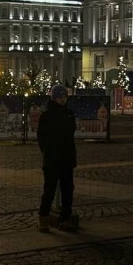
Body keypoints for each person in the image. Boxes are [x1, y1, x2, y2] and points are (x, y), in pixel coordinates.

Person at [37, 85, 77, 232]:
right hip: (52, 158)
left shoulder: (69, 113)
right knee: (49, 190)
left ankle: (65, 219)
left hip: (66, 157)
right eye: (61, 97)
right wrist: (48, 152)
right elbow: (41, 138)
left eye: (65, 97)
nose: (63, 99)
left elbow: (70, 134)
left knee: (68, 190)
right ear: (54, 98)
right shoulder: (46, 115)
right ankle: (43, 219)